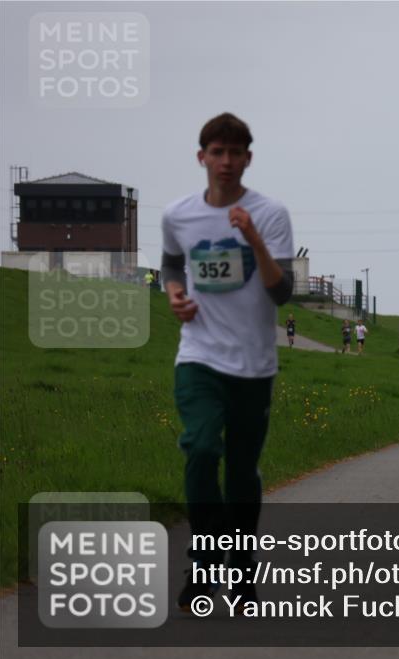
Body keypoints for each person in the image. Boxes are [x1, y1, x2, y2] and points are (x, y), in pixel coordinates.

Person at [161, 112, 294, 613]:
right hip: (198, 355)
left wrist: (254, 238)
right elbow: (172, 262)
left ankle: (241, 577)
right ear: (202, 158)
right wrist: (175, 293)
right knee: (199, 448)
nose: (225, 161)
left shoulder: (271, 213)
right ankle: (205, 562)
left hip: (253, 365)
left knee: (241, 473)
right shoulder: (179, 214)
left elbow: (281, 292)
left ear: (248, 159)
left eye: (235, 153)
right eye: (216, 152)